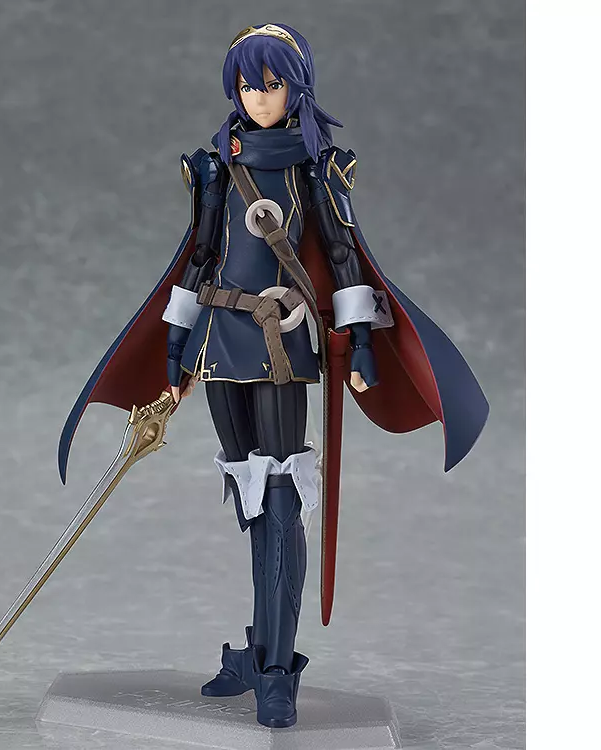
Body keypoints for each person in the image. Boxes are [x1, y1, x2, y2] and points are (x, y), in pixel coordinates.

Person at [59, 23, 488, 729]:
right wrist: (175, 349)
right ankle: (259, 651)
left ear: (297, 87)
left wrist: (362, 347)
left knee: (283, 498)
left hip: (283, 341)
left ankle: (278, 670)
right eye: (246, 84)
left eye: (271, 83)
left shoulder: (316, 171)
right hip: (218, 343)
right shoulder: (214, 167)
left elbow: (345, 259)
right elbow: (198, 258)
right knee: (251, 495)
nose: (257, 96)